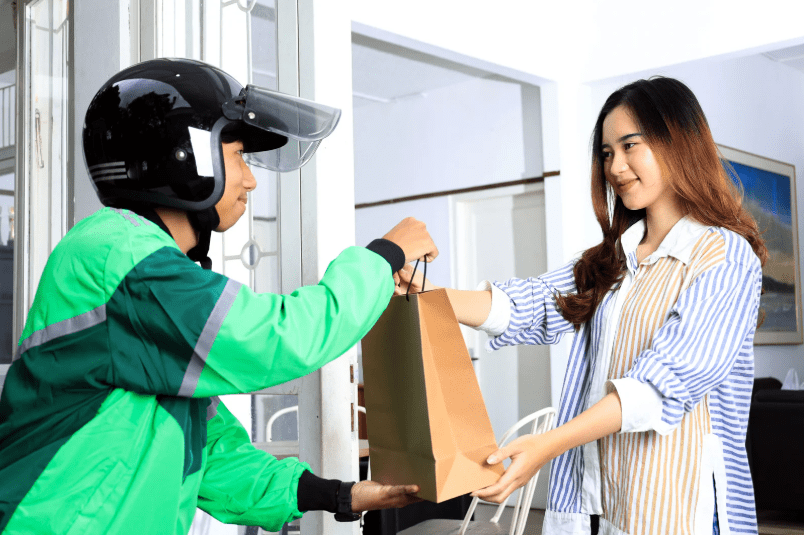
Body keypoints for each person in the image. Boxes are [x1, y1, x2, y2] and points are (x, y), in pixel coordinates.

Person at [0, 58, 435, 534]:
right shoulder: (117, 256)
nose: (249, 180)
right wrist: (382, 256)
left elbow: (209, 451)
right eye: (239, 157)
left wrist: (337, 494)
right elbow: (276, 338)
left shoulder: (147, 293)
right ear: (183, 155)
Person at [399, 77, 766, 535]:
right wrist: (426, 295)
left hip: (682, 502)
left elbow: (661, 386)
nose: (615, 166)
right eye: (607, 152)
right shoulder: (613, 259)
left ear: (678, 143)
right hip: (606, 499)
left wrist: (546, 447)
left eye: (630, 145)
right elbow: (529, 305)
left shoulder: (724, 256)